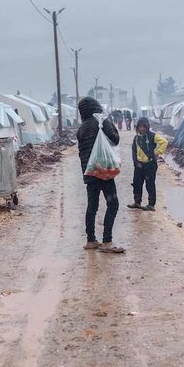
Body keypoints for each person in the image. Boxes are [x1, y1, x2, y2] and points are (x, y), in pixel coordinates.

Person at [76, 97, 125, 253]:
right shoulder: (101, 120)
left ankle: (91, 240)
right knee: (113, 204)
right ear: (96, 106)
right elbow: (115, 139)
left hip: (90, 172)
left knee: (92, 206)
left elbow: (82, 152)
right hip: (103, 169)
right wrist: (108, 123)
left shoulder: (81, 128)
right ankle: (107, 241)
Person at [127, 117, 168, 211]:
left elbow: (164, 142)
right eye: (140, 127)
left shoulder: (152, 136)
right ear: (137, 127)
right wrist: (135, 162)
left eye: (144, 127)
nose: (142, 129)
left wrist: (156, 152)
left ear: (147, 127)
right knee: (137, 184)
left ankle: (151, 204)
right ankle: (137, 202)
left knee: (150, 184)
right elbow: (134, 150)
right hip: (139, 165)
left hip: (150, 165)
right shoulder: (136, 138)